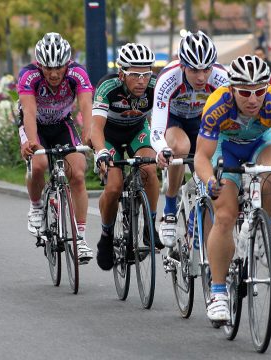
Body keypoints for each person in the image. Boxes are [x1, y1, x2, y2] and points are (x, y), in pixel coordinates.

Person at [194, 55, 271, 321]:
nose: (253, 99)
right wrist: (210, 181)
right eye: (245, 93)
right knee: (224, 215)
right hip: (226, 148)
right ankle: (218, 292)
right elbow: (201, 157)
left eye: (260, 92)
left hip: (260, 142)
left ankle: (263, 226)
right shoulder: (217, 105)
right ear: (232, 89)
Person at [18, 32, 94, 264]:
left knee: (78, 173)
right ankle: (36, 206)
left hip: (61, 124)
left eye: (58, 67)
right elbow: (29, 112)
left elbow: (86, 107)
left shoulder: (77, 73)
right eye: (48, 68)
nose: (53, 73)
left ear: (67, 63)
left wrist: (89, 136)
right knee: (39, 163)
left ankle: (79, 238)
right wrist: (31, 142)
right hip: (35, 125)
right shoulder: (29, 76)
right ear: (39, 64)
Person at [88, 43, 163, 271]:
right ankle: (106, 235)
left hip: (136, 132)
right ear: (122, 74)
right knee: (113, 186)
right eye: (135, 75)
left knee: (149, 169)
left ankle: (150, 226)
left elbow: (159, 123)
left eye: (146, 73)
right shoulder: (107, 87)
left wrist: (162, 147)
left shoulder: (154, 86)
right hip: (108, 135)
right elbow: (96, 128)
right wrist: (100, 151)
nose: (142, 80)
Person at [151, 30, 229, 248]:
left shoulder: (222, 78)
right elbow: (156, 128)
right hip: (174, 121)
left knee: (210, 175)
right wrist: (161, 149)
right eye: (194, 70)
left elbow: (229, 121)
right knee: (180, 147)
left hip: (202, 122)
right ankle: (169, 209)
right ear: (182, 65)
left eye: (206, 69)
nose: (201, 77)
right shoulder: (168, 78)